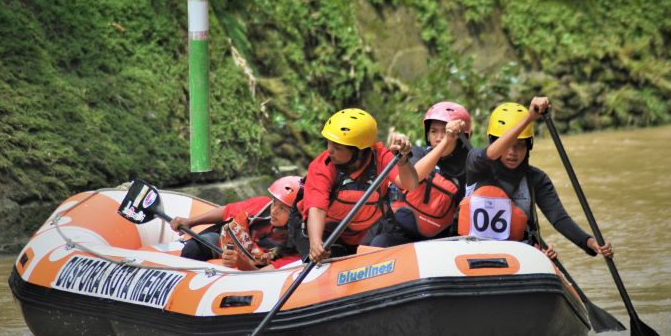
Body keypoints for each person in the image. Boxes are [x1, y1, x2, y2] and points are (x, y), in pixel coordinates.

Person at [458, 97, 614, 259]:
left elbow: (559, 218)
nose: (513, 152)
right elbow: (489, 155)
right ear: (493, 142)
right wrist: (530, 118)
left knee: (549, 257)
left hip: (519, 255)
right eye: (508, 145)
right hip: (473, 252)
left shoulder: (536, 178)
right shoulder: (475, 163)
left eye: (520, 145)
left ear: (529, 145)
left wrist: (590, 243)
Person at [289, 108, 418, 263]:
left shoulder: (381, 156)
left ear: (359, 150)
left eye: (338, 147)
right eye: (329, 143)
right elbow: (316, 209)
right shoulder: (322, 166)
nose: (330, 150)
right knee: (335, 257)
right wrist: (316, 243)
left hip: (360, 230)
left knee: (382, 247)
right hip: (321, 230)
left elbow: (410, 184)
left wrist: (403, 160)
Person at [369, 101, 472, 247]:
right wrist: (447, 140)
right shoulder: (418, 153)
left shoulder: (469, 169)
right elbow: (415, 177)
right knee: (379, 242)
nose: (439, 137)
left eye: (445, 131)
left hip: (439, 243)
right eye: (434, 131)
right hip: (399, 236)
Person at [170, 176, 303, 269]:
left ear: (296, 215)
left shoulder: (297, 246)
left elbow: (261, 275)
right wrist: (190, 222)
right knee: (192, 249)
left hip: (249, 268)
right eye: (275, 202)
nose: (274, 211)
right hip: (224, 244)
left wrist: (241, 263)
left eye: (283, 208)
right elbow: (226, 211)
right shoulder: (262, 205)